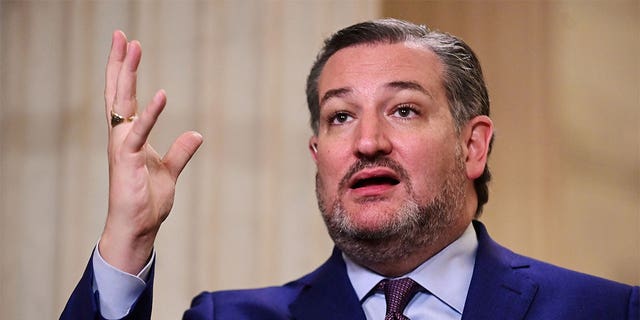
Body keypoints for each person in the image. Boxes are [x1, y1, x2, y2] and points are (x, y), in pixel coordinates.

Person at [61, 18, 638, 320]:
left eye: (404, 109)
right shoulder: (229, 317)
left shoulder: (607, 311)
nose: (366, 141)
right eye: (339, 117)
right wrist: (128, 238)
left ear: (473, 146)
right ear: (318, 157)